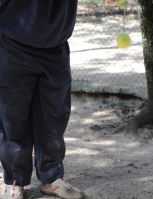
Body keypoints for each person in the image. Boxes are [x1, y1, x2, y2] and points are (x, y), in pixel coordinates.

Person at [0, 1, 83, 198]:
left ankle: (52, 178)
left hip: (56, 46)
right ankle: (15, 181)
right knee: (13, 118)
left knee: (54, 117)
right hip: (11, 42)